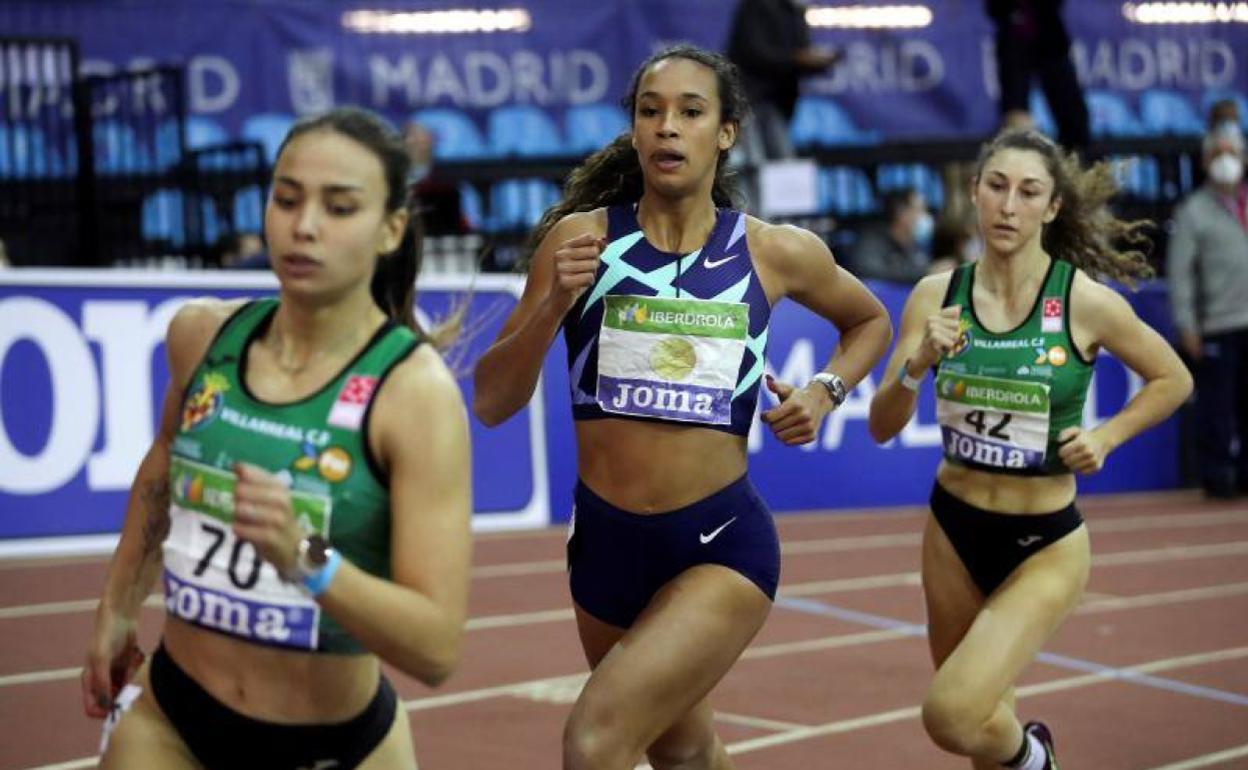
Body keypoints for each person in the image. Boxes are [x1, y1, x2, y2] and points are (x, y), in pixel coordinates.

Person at [473, 45, 891, 770]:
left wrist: (827, 392)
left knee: (596, 742)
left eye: (690, 112)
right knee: (686, 750)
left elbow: (870, 321)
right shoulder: (580, 242)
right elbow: (491, 402)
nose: (668, 127)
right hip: (604, 546)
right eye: (650, 111)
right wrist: (550, 306)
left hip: (718, 542)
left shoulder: (772, 251)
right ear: (634, 130)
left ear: (725, 132)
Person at [81, 106, 473, 769]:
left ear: (391, 229)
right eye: (286, 199)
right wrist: (117, 608)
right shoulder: (202, 337)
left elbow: (436, 648)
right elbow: (161, 472)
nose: (304, 226)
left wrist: (306, 556)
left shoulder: (414, 394)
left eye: (340, 207)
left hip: (333, 747)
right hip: (175, 717)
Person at [868, 128, 1191, 769]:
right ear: (974, 194)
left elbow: (1173, 378)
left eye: (1028, 192)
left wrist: (1106, 435)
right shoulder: (937, 296)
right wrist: (918, 362)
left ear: (1052, 208)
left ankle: (1036, 758)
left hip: (1045, 541)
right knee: (983, 728)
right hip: (953, 530)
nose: (1008, 205)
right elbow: (882, 423)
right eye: (996, 186)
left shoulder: (1084, 303)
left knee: (951, 713)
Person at [1167, 125, 1248, 498]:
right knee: (1216, 408)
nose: (1226, 161)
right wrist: (1187, 325)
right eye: (1217, 154)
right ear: (1204, 161)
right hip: (1216, 324)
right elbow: (1180, 274)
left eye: (1231, 152)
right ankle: (1217, 476)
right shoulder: (1193, 211)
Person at [986, 1, 1089, 151]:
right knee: (1016, 118)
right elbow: (993, 9)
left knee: (1074, 119)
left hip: (1051, 40)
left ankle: (1074, 165)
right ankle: (1017, 163)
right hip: (1013, 39)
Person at [849, 187, 934, 283]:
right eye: (920, 209)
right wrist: (927, 272)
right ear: (901, 212)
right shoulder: (870, 243)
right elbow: (870, 274)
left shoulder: (913, 245)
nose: (926, 216)